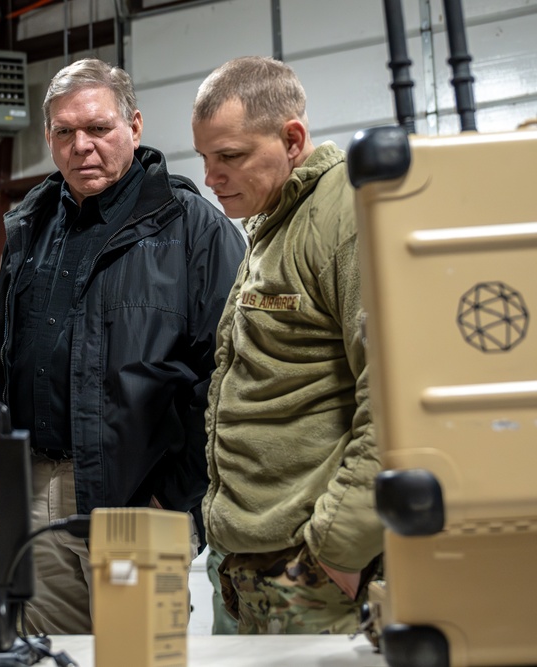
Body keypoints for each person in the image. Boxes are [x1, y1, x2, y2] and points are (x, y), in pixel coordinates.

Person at [0, 58, 245, 635]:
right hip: (38, 494)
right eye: (64, 131)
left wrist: (174, 501)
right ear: (49, 138)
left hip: (139, 500)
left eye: (99, 128)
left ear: (134, 125)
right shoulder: (29, 226)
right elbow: (1, 354)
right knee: (47, 653)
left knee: (136, 653)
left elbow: (229, 383)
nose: (83, 145)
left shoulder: (194, 229)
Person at [190, 56, 382, 635]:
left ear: (292, 139)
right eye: (204, 159)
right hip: (258, 563)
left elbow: (396, 399)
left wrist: (340, 545)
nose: (211, 177)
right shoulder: (276, 219)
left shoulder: (344, 216)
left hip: (311, 571)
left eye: (229, 156)